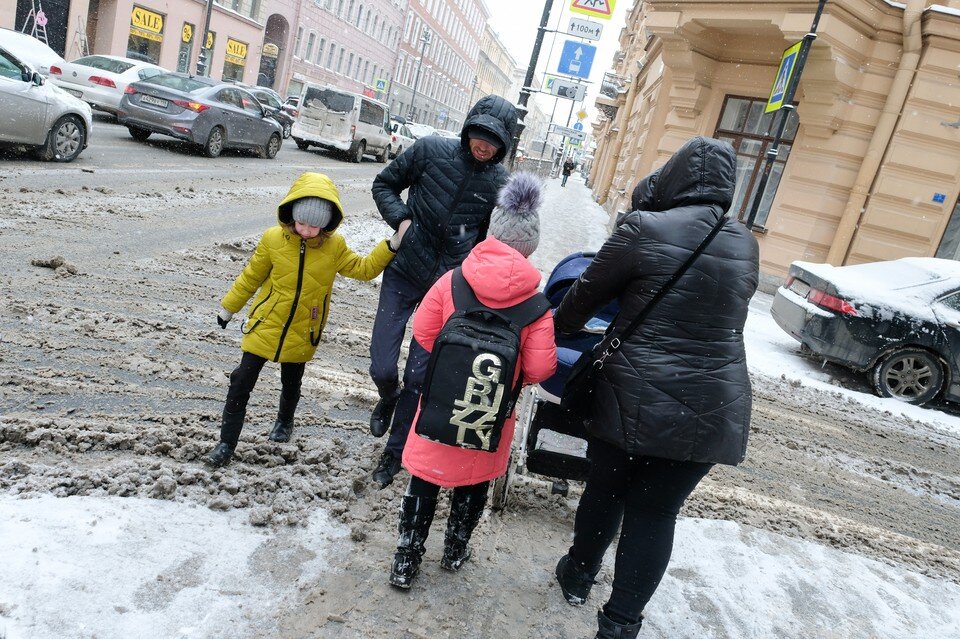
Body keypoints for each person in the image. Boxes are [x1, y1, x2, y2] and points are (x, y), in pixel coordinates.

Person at [551, 137, 759, 638]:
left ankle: (579, 573)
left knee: (606, 490)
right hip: (716, 406)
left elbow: (578, 302)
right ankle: (621, 623)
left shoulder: (643, 228)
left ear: (673, 177)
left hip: (632, 399)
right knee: (656, 510)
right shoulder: (746, 242)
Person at [387, 171, 558, 589]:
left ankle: (407, 558)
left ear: (492, 232)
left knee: (424, 479)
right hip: (487, 412)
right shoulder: (536, 306)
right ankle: (455, 549)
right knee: (473, 482)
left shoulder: (453, 280)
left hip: (441, 401)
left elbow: (426, 334)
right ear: (529, 246)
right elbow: (539, 370)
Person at [367, 95, 519, 488]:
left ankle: (394, 453)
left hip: (449, 289)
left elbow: (493, 242)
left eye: (494, 140)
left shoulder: (501, 184)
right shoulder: (430, 151)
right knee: (383, 363)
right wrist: (401, 221)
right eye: (479, 135)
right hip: (405, 271)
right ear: (468, 127)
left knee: (419, 376)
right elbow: (384, 184)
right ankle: (387, 394)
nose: (484, 145)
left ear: (505, 145)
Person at [206, 172, 406, 467]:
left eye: (314, 225)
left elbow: (363, 269)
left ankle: (284, 422)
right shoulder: (273, 239)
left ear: (327, 224)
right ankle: (226, 443)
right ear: (291, 216)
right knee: (240, 381)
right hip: (266, 322)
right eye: (302, 223)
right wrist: (228, 309)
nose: (307, 230)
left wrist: (390, 245)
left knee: (291, 382)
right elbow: (250, 277)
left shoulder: (334, 247)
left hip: (304, 328)